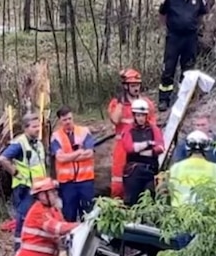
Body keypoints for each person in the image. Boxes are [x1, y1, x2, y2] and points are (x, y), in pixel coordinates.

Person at [0, 113, 47, 251]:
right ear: (26, 128)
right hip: (25, 188)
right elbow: (3, 159)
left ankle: (34, 246)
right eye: (34, 127)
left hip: (38, 187)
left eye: (39, 126)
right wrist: (16, 173)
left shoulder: (37, 143)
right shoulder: (20, 144)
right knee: (23, 218)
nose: (38, 129)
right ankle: (19, 249)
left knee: (36, 218)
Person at [166, 130, 216, 248]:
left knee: (180, 251)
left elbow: (171, 190)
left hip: (180, 216)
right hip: (203, 218)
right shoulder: (215, 169)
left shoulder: (176, 168)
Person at [157, 0, 208, 112]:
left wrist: (197, 27)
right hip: (174, 37)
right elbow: (162, 14)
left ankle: (183, 98)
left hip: (190, 38)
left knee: (188, 69)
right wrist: (166, 29)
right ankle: (164, 99)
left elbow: (202, 14)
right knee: (168, 67)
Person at [108, 69, 157, 199]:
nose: (136, 88)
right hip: (122, 147)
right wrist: (121, 102)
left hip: (140, 146)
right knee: (118, 183)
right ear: (126, 86)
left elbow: (152, 127)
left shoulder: (147, 104)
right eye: (133, 85)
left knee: (141, 182)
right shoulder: (117, 103)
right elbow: (115, 120)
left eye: (137, 85)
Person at [50, 105, 96, 222]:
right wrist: (79, 152)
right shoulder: (56, 137)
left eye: (70, 118)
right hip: (67, 183)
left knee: (88, 213)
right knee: (69, 214)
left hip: (85, 180)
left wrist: (70, 156)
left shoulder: (84, 132)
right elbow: (60, 158)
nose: (68, 122)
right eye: (65, 120)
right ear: (60, 120)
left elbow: (89, 153)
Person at [121, 99, 165, 206]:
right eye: (138, 115)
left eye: (143, 115)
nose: (140, 118)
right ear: (134, 116)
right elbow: (129, 148)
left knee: (149, 200)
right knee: (132, 202)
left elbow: (160, 147)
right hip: (134, 171)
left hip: (150, 171)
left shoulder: (154, 129)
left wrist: (146, 151)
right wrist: (148, 144)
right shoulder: (128, 130)